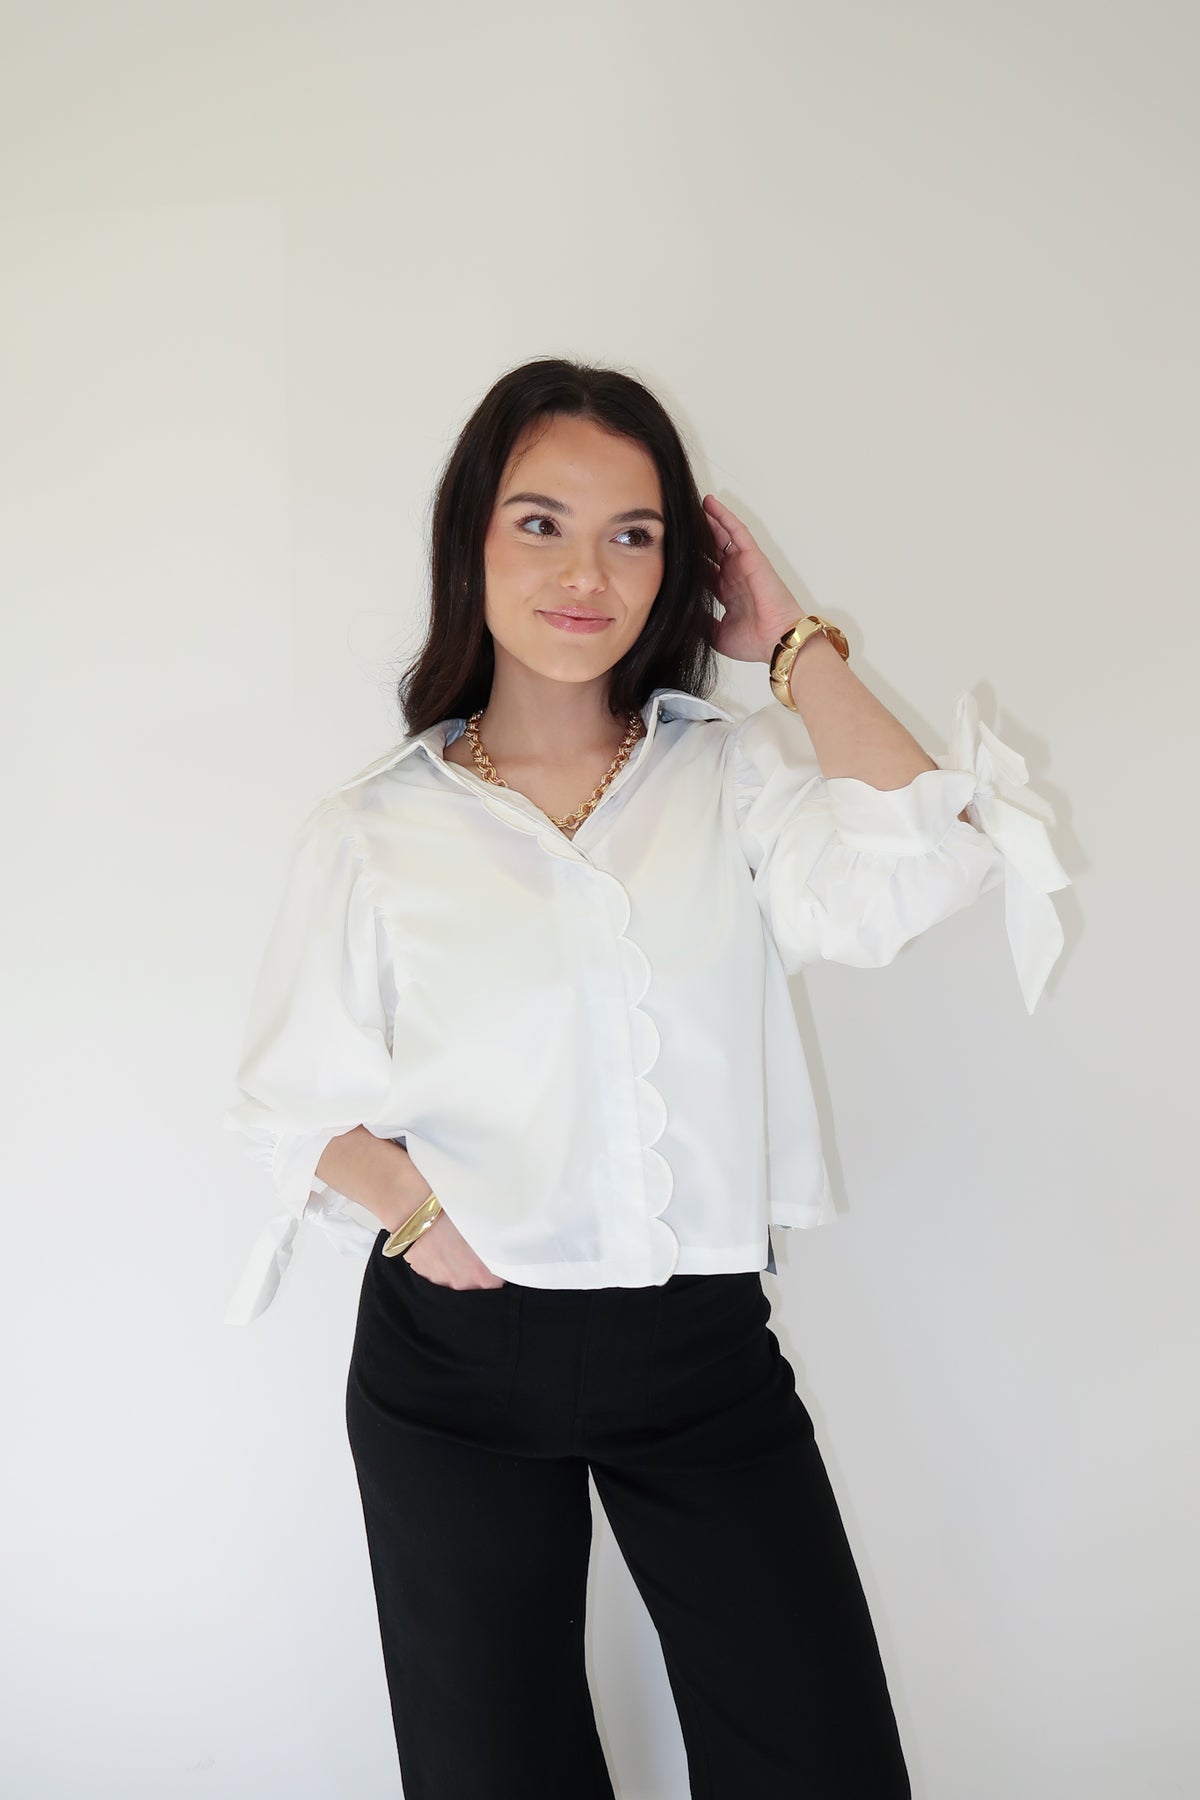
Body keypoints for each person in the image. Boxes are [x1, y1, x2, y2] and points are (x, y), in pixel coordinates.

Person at [222, 357, 1070, 1798]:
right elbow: (287, 1103)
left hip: (698, 1350)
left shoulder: (732, 778)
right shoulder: (372, 830)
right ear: (471, 541)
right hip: (456, 1358)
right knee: (493, 1769)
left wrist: (795, 646)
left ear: (680, 565)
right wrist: (421, 1218)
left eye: (634, 534)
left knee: (819, 1757)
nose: (586, 574)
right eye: (541, 524)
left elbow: (917, 866)